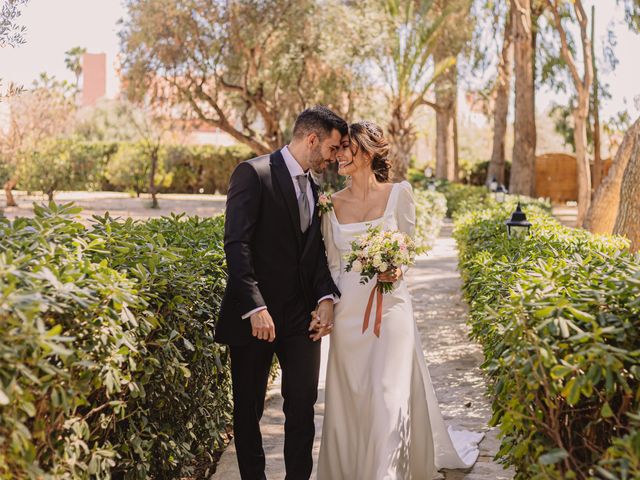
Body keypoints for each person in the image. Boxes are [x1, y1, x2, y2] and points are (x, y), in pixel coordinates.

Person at [315, 121, 484, 479]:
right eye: (340, 148)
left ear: (368, 151)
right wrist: (325, 304)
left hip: (391, 309)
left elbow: (406, 252)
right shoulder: (329, 205)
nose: (340, 154)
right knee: (354, 398)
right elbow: (331, 263)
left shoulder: (399, 194)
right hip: (349, 316)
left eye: (347, 147)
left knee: (389, 395)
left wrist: (396, 270)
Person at [215, 106, 347, 480]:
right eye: (333, 148)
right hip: (255, 318)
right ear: (311, 139)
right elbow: (236, 245)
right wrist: (255, 307)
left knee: (303, 407)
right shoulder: (252, 174)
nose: (335, 157)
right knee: (248, 409)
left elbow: (315, 255)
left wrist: (325, 299)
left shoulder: (317, 187)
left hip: (300, 318)